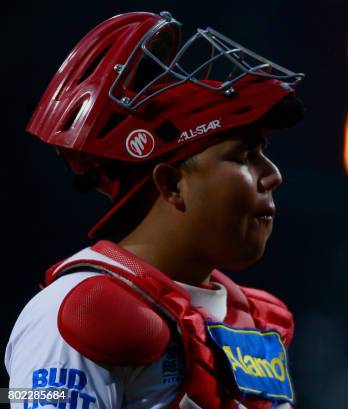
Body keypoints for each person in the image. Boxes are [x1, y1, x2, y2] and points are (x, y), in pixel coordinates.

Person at [5, 10, 304, 409]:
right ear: (172, 184)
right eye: (245, 157)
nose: (273, 176)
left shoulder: (258, 321)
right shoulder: (72, 313)